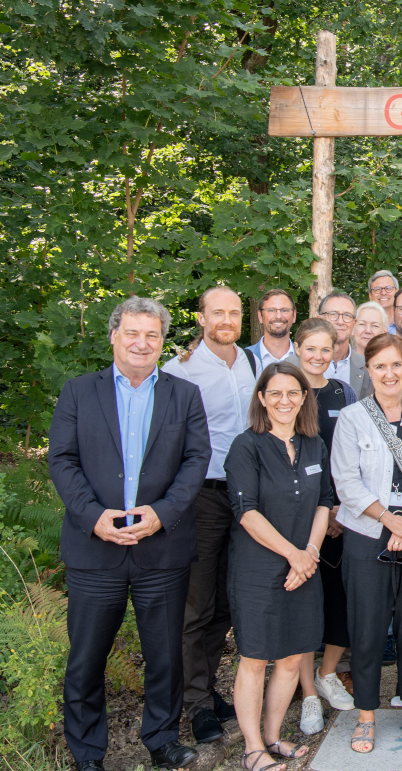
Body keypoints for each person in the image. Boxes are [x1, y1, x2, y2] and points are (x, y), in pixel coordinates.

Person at [49, 297, 210, 771]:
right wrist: (92, 516)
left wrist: (162, 513)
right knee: (86, 660)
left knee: (165, 656)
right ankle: (87, 754)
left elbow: (195, 461)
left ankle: (161, 740)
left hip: (160, 549)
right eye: (133, 333)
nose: (143, 343)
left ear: (163, 341)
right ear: (114, 335)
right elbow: (62, 459)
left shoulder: (184, 395)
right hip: (94, 549)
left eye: (153, 335)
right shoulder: (79, 392)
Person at [331, 334, 402, 753]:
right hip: (367, 532)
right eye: (380, 366)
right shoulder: (351, 418)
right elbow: (346, 481)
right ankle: (366, 715)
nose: (389, 373)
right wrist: (389, 520)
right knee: (368, 626)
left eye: (396, 365)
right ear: (369, 371)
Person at [224, 363, 332, 771]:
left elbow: (325, 501)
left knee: (292, 656)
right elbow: (246, 512)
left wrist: (309, 553)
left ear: (304, 397)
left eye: (292, 393)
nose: (284, 401)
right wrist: (295, 555)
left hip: (305, 565)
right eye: (275, 394)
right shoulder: (245, 446)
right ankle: (253, 749)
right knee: (255, 657)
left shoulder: (313, 444)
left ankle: (272, 735)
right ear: (262, 399)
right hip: (259, 569)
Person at [161, 287, 258, 743]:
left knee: (225, 602)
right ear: (200, 318)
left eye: (234, 312)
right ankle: (195, 703)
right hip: (200, 496)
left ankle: (210, 688)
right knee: (195, 605)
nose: (226, 319)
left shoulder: (252, 363)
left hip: (245, 499)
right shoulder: (178, 371)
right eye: (217, 312)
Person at [290, 319, 359, 732]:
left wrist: (337, 508)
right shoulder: (282, 386)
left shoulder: (342, 392)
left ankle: (327, 672)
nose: (317, 356)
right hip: (296, 515)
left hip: (340, 515)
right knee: (301, 606)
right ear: (297, 348)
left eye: (325, 349)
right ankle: (308, 696)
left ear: (335, 350)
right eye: (310, 348)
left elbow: (349, 451)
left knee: (342, 600)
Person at [248, 290, 298, 369]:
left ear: (294, 315)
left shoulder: (306, 358)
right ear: (260, 316)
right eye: (271, 310)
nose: (278, 316)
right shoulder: (244, 358)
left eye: (284, 310)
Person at [350, 301, 388, 399]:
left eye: (375, 326)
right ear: (353, 328)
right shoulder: (344, 364)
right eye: (362, 324)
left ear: (385, 330)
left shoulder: (393, 365)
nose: (367, 330)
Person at [319, 292, 357, 386]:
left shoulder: (366, 366)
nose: (340, 321)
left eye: (347, 315)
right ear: (319, 320)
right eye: (333, 314)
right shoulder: (296, 364)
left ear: (354, 324)